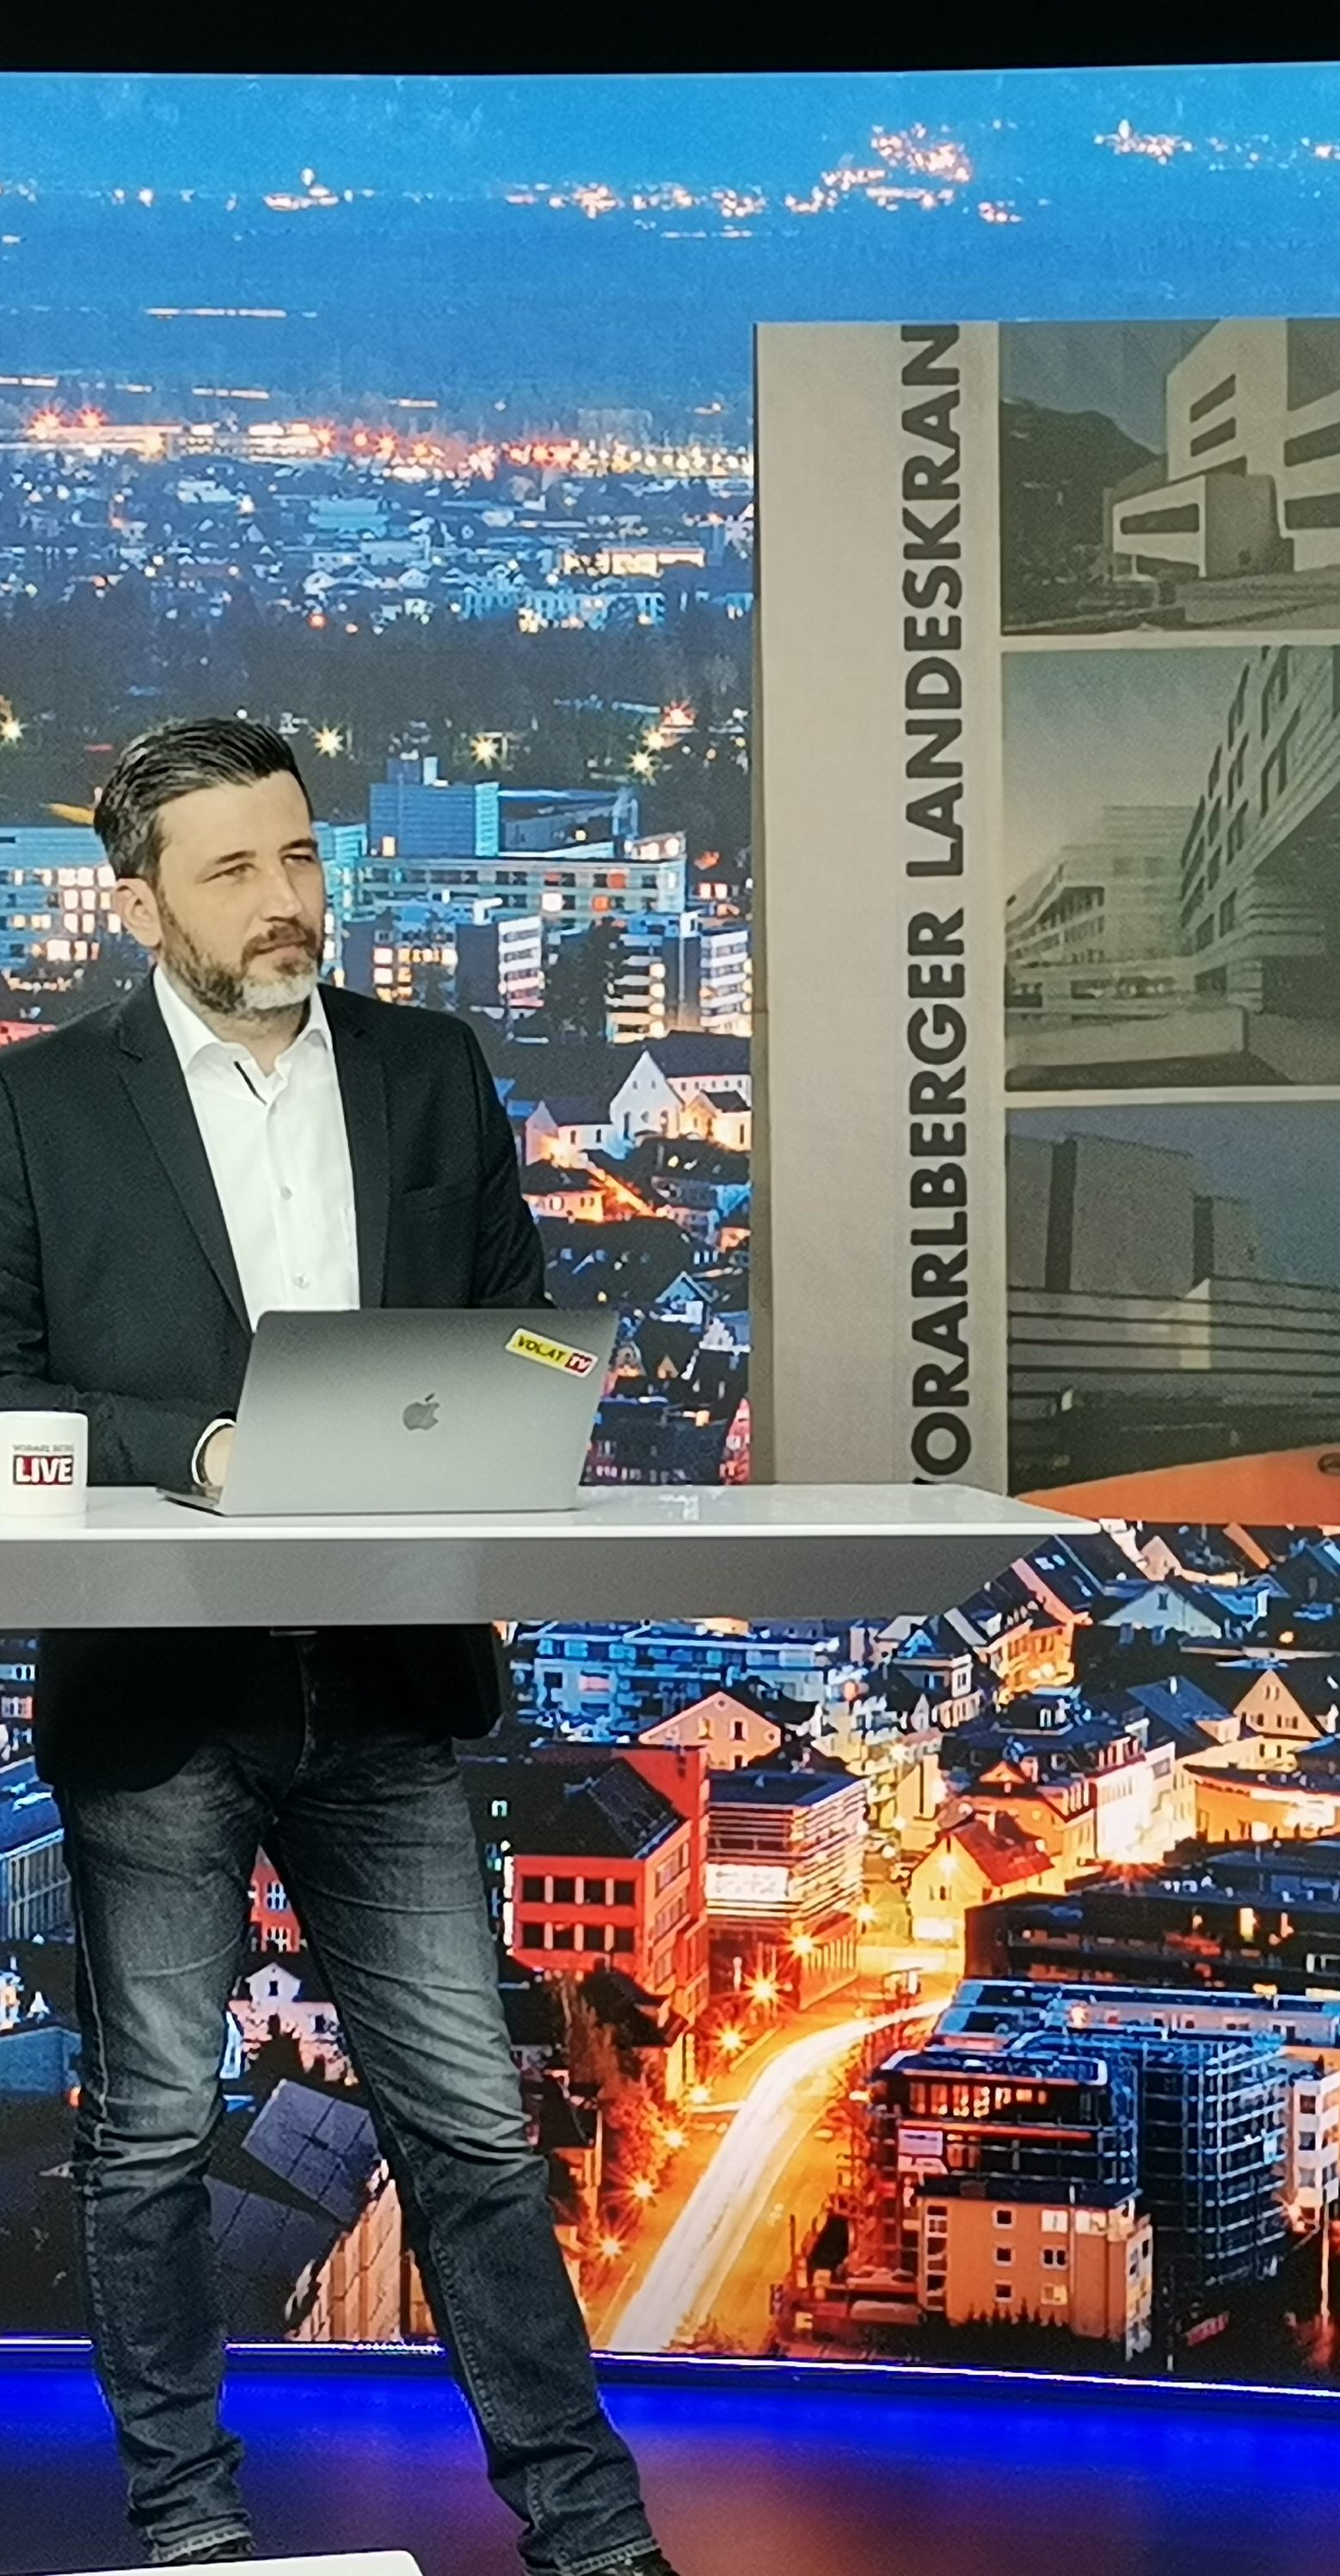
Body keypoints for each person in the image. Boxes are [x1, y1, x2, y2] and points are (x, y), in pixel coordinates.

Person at [0, 719, 678, 2573]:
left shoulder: (427, 1067)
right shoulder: (39, 1105)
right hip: (158, 1688)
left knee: (470, 2131)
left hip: (385, 1680)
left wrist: (510, 1441)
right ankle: (194, 2537)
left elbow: (516, 1327)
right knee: (152, 2135)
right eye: (232, 870)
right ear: (138, 904)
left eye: (300, 856)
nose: (285, 899)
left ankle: (594, 2539)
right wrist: (204, 1452)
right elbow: (5, 1388)